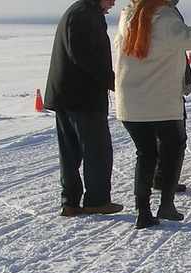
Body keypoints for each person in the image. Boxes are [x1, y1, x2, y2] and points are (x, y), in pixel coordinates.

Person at [116, 0, 191, 227]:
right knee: (173, 147)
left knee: (146, 153)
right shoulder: (164, 18)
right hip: (160, 102)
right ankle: (166, 205)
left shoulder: (128, 16)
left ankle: (143, 212)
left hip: (131, 103)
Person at [45, 0, 124, 217]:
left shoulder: (78, 11)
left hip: (66, 95)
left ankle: (70, 201)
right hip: (83, 97)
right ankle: (97, 200)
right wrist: (112, 81)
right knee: (97, 150)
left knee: (70, 152)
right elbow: (86, 57)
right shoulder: (86, 14)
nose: (113, 3)